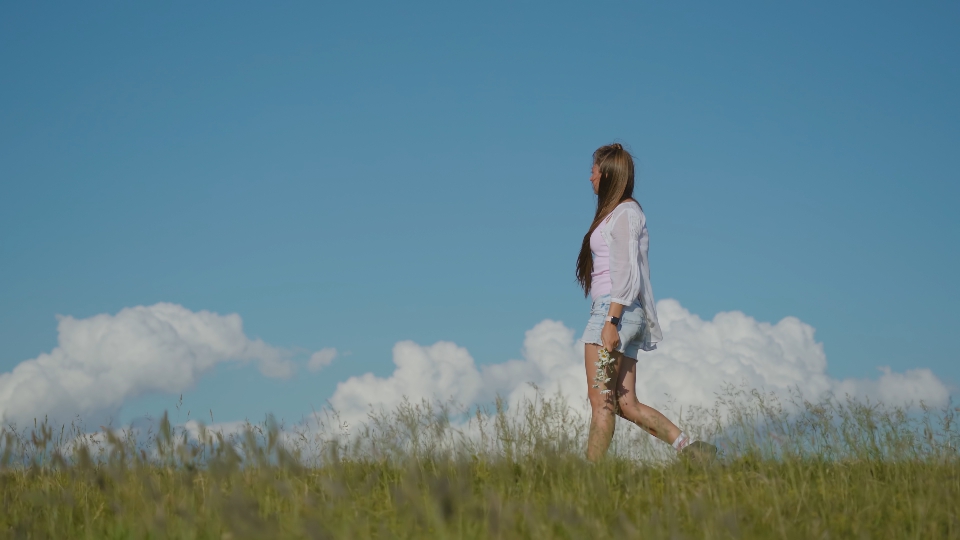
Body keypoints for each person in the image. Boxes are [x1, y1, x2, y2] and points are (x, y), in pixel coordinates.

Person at [576, 142, 716, 462]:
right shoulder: (620, 214)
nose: (590, 178)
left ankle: (587, 479)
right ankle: (693, 451)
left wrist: (611, 321)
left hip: (614, 311)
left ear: (609, 175)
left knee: (602, 404)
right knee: (627, 405)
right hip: (625, 312)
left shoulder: (625, 213)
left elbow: (626, 271)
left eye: (594, 172)